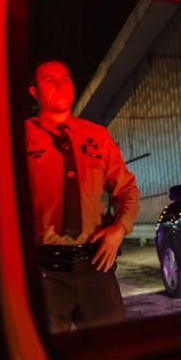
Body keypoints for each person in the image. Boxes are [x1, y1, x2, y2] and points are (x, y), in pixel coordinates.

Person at [25, 60, 139, 332]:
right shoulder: (20, 138)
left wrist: (119, 229)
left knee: (111, 355)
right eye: (49, 80)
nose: (60, 84)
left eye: (65, 78)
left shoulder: (96, 136)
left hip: (96, 266)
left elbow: (126, 189)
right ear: (34, 93)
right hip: (43, 274)